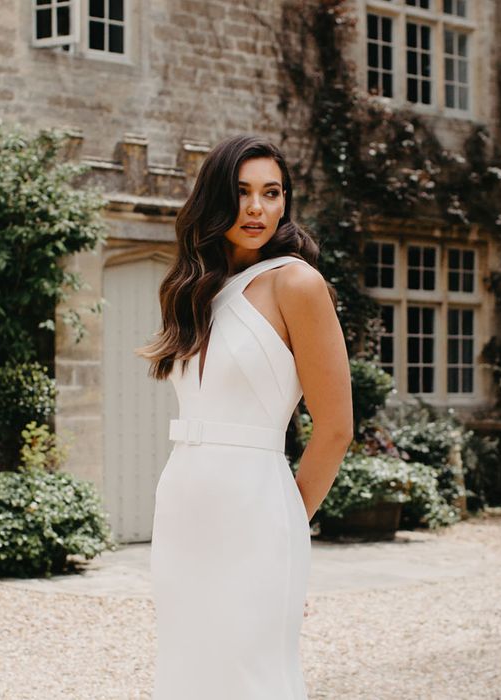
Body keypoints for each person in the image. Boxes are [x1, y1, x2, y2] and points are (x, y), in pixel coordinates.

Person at [136, 134, 353, 699]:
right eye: (241, 192)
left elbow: (335, 428)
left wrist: (286, 527)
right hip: (183, 502)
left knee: (252, 673)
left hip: (258, 509)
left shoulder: (295, 283)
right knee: (187, 669)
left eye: (271, 192)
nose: (256, 208)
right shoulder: (195, 292)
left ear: (285, 202)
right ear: (216, 199)